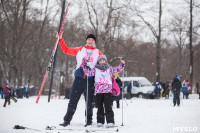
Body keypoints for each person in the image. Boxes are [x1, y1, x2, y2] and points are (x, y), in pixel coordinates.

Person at [57, 32, 103, 127]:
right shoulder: (80, 49)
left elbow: (104, 64)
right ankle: (67, 120)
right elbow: (66, 50)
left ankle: (89, 121)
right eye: (89, 39)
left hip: (90, 80)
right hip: (79, 78)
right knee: (73, 100)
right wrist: (61, 39)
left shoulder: (98, 52)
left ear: (95, 42)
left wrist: (113, 74)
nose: (90, 41)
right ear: (86, 40)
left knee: (89, 102)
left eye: (92, 40)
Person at [81, 55, 125, 127]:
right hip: (99, 91)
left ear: (105, 61)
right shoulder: (95, 69)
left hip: (107, 91)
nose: (102, 62)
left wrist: (122, 64)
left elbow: (118, 69)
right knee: (100, 107)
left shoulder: (109, 69)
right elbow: (88, 73)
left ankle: (110, 121)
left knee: (108, 106)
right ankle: (100, 121)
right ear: (98, 62)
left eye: (103, 60)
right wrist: (84, 65)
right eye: (101, 60)